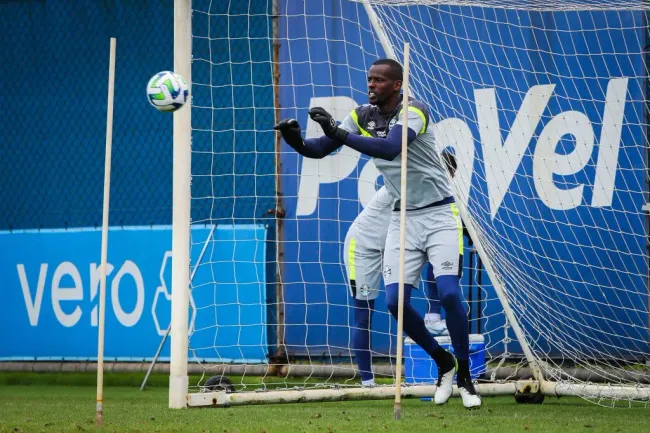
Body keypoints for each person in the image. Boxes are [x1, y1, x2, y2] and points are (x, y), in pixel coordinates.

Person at [274, 58, 480, 408]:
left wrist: (338, 133)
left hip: (440, 213)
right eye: (369, 79)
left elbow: (389, 147)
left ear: (397, 84)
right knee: (394, 301)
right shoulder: (361, 115)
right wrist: (294, 139)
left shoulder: (414, 110)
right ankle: (442, 362)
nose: (372, 84)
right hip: (403, 218)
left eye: (380, 80)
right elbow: (318, 150)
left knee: (448, 295)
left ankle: (465, 376)